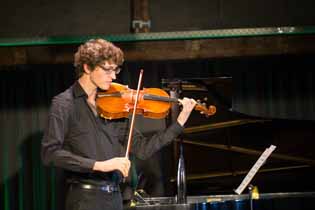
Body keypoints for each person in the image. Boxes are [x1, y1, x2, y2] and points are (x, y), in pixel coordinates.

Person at [41, 38, 196, 210]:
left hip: (116, 199)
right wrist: (100, 165)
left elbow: (143, 149)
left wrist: (180, 121)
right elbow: (50, 153)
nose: (114, 76)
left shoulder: (115, 105)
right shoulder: (64, 104)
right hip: (85, 199)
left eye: (115, 70)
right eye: (107, 70)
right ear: (87, 67)